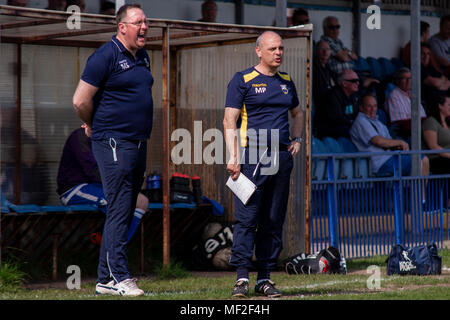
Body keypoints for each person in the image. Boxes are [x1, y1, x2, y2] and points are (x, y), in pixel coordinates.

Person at [72, 3, 153, 296]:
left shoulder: (142, 57)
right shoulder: (105, 56)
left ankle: (105, 278)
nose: (144, 27)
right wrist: (93, 123)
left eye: (146, 22)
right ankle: (120, 275)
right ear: (122, 27)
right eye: (138, 23)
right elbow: (80, 100)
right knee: (119, 206)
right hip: (113, 141)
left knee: (127, 207)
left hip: (138, 142)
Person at [223, 31, 304, 298]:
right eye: (272, 49)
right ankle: (241, 279)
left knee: (273, 219)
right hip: (252, 158)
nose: (278, 53)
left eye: (281, 48)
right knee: (247, 219)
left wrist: (298, 139)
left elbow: (297, 112)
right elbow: (229, 121)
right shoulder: (242, 79)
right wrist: (234, 157)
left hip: (281, 158)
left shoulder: (286, 81)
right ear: (259, 51)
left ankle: (265, 279)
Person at [56, 126, 149, 243]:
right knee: (120, 200)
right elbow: (93, 171)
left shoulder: (107, 137)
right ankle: (112, 247)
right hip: (74, 189)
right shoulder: (80, 136)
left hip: (98, 187)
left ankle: (115, 244)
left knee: (141, 201)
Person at [350, 94, 429, 177]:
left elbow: (389, 141)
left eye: (375, 106)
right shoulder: (361, 121)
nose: (373, 109)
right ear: (361, 108)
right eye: (369, 106)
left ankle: (417, 190)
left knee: (422, 159)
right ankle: (419, 190)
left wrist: (397, 146)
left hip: (390, 158)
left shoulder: (378, 122)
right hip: (379, 163)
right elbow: (378, 141)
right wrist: (400, 142)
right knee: (420, 160)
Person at [313, 69, 359, 139]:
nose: (357, 83)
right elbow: (337, 120)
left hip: (344, 129)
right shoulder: (332, 96)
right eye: (354, 81)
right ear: (344, 83)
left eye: (358, 80)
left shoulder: (352, 95)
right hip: (331, 133)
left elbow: (356, 115)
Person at [386, 67, 427, 141]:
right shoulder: (394, 95)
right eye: (405, 79)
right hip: (406, 133)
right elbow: (399, 121)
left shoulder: (413, 94)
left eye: (410, 78)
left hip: (420, 129)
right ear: (397, 81)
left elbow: (423, 115)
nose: (409, 81)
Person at [423, 94, 450, 174]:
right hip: (437, 159)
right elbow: (433, 146)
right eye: (449, 105)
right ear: (440, 106)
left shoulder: (448, 123)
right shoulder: (431, 122)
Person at [421, 43, 450, 111]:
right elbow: (435, 83)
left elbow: (448, 82)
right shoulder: (418, 70)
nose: (426, 56)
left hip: (444, 99)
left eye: (428, 54)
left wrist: (439, 85)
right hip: (432, 103)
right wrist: (441, 83)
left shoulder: (431, 68)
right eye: (423, 53)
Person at [312, 40, 336, 119]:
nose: (325, 52)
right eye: (322, 49)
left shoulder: (328, 67)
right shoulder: (313, 67)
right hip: (319, 102)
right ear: (316, 51)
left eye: (328, 49)